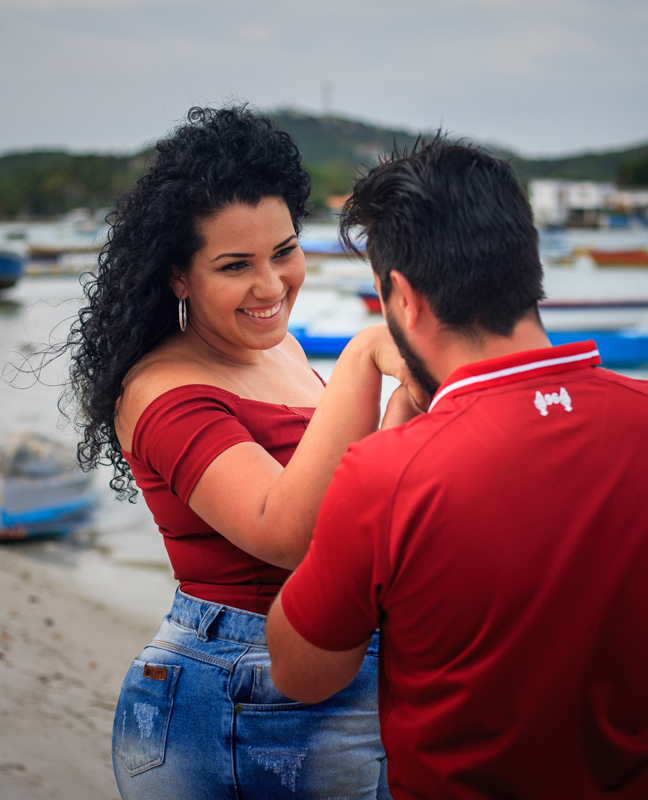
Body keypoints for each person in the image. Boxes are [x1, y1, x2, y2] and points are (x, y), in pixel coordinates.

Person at [266, 138, 648, 800]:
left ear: (403, 299)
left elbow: (301, 671)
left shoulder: (387, 474)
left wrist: (384, 444)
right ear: (527, 267)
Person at [69, 107, 414, 798]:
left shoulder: (278, 347)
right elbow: (287, 534)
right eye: (236, 266)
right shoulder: (162, 390)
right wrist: (363, 360)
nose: (271, 286)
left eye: (284, 252)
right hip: (239, 689)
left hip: (326, 673)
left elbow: (364, 491)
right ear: (178, 277)